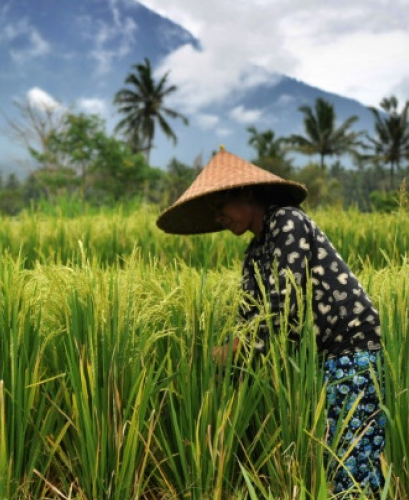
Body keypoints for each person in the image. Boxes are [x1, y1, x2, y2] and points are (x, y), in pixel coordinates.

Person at [156, 148, 385, 495]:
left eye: (221, 208)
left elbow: (283, 308)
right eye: (214, 213)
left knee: (351, 461)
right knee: (329, 457)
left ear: (247, 194)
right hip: (318, 358)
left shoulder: (287, 221)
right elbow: (250, 317)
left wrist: (233, 350)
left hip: (351, 350)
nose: (219, 218)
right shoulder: (255, 251)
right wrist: (220, 363)